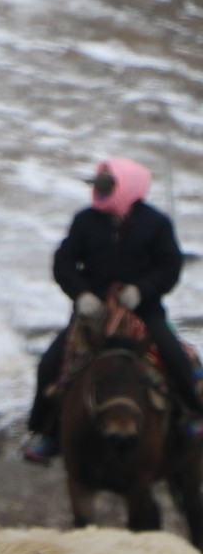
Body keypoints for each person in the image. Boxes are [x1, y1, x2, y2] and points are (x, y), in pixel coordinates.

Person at [24, 157, 195, 464]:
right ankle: (45, 433)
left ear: (127, 186)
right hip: (93, 314)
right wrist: (81, 294)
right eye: (97, 186)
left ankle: (192, 415)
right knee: (49, 364)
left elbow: (170, 266)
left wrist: (141, 290)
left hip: (144, 312)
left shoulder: (156, 223)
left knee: (173, 354)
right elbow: (63, 262)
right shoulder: (85, 221)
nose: (99, 192)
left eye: (106, 186)